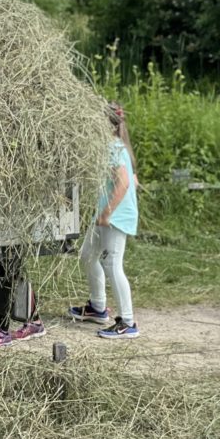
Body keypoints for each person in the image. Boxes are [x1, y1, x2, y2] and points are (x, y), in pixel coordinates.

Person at [69, 101, 140, 339]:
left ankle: (128, 322)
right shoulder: (115, 146)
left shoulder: (113, 148)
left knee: (112, 265)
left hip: (114, 217)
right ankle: (98, 308)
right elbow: (134, 180)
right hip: (106, 214)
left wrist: (107, 213)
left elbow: (124, 183)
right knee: (88, 254)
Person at [0, 248, 47, 348]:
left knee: (8, 272)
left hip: (10, 239)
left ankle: (2, 333)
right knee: (13, 273)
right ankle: (35, 323)